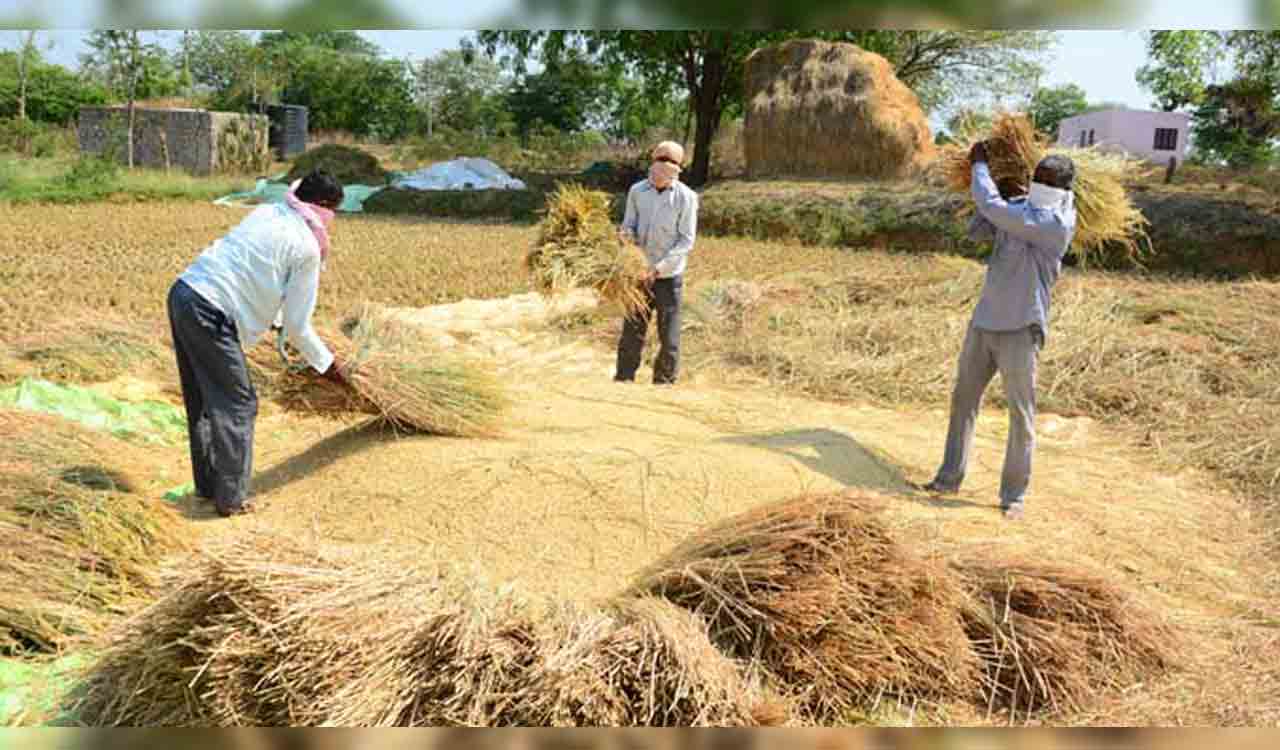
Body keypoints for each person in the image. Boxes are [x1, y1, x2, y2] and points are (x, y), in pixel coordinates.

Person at [166, 169, 348, 517]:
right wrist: (329, 366)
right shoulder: (307, 248)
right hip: (211, 312)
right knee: (239, 403)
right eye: (334, 211)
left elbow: (256, 272)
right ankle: (231, 500)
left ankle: (209, 486)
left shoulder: (268, 211)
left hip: (184, 293)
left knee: (203, 398)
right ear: (324, 207)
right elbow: (298, 327)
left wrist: (274, 321)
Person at [922, 142, 1078, 520]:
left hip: (1021, 329)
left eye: (1048, 181)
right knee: (963, 402)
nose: (1040, 184)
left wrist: (980, 169)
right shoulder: (1021, 209)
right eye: (1038, 177)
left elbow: (992, 208)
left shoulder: (1055, 224)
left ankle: (1013, 496)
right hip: (984, 322)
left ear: (1064, 188)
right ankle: (948, 477)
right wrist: (1004, 194)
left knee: (1020, 415)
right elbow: (980, 228)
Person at [614, 140, 699, 385]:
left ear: (678, 167)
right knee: (632, 329)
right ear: (652, 161)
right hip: (637, 273)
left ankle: (664, 382)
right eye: (659, 158)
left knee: (669, 334)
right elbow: (628, 224)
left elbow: (685, 241)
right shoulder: (637, 191)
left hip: (668, 276)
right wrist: (626, 238)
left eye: (670, 161)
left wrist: (658, 268)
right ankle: (624, 378)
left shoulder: (687, 198)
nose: (663, 164)